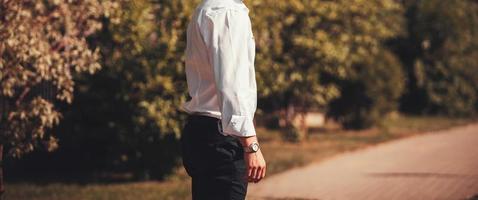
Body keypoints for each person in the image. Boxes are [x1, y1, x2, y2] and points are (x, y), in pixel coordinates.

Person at [179, 0, 267, 199]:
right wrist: (251, 145)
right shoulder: (228, 12)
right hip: (221, 140)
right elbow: (231, 84)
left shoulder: (205, 9)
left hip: (202, 132)